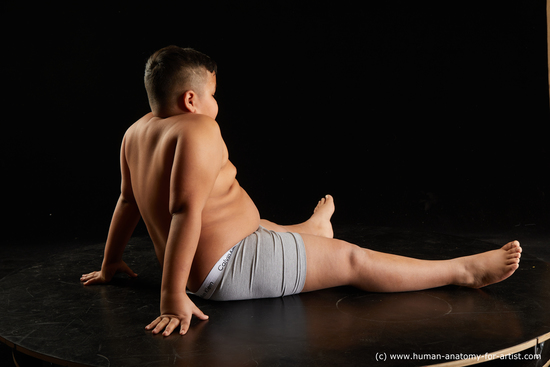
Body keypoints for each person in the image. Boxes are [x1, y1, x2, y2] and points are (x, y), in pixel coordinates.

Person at [80, 46, 522, 337]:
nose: (217, 103)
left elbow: (127, 202)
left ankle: (310, 231)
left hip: (223, 252)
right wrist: (171, 296)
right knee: (353, 259)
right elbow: (184, 214)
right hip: (226, 269)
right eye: (214, 93)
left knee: (264, 224)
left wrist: (110, 262)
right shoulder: (199, 129)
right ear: (192, 100)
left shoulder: (135, 131)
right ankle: (462, 272)